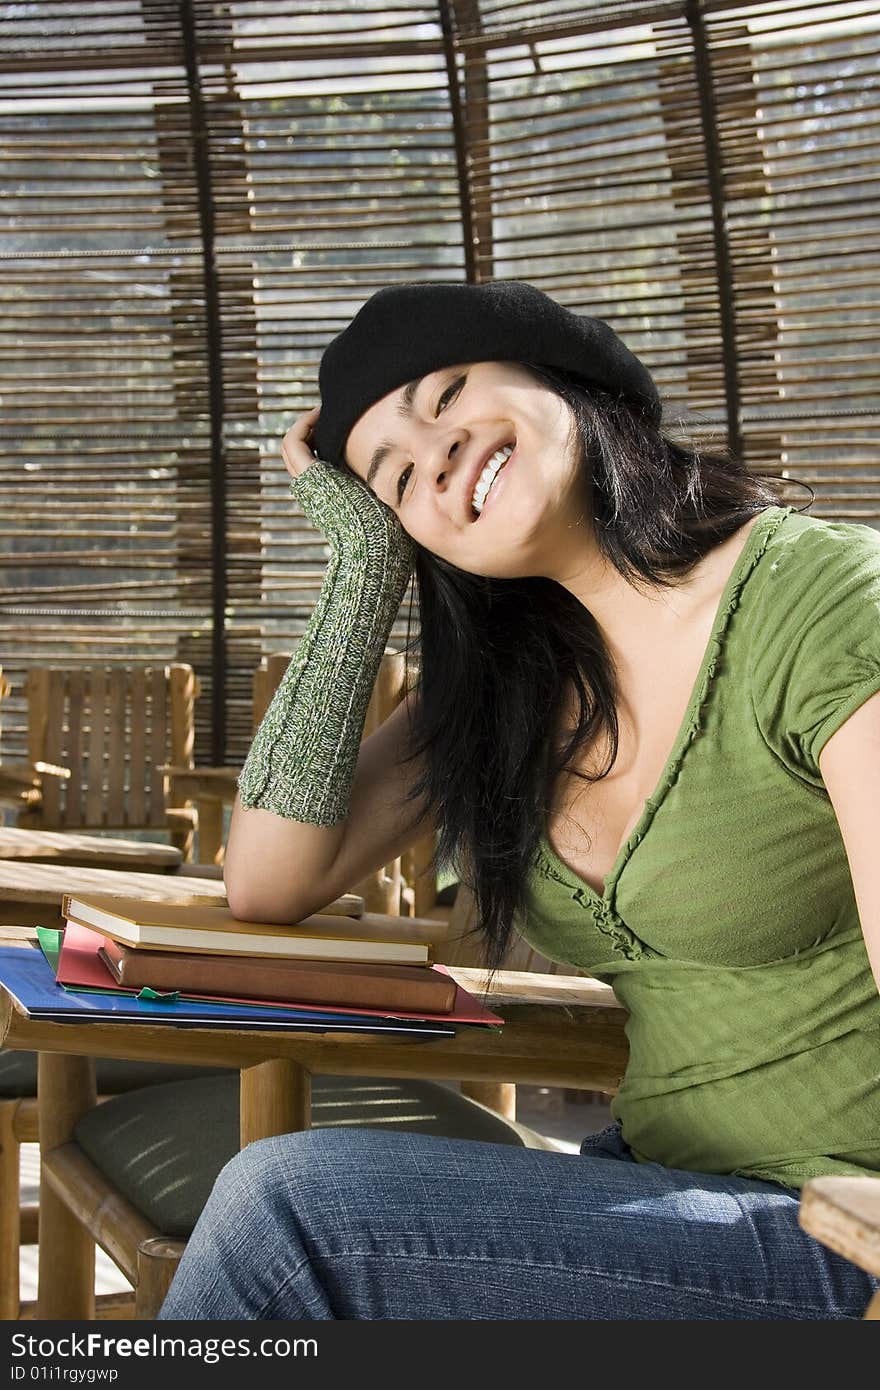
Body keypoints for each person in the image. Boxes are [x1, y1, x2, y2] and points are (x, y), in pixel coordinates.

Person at [158, 280, 880, 1320]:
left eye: (446, 392)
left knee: (291, 1213)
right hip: (657, 1195)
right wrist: (362, 566)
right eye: (395, 477)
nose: (436, 451)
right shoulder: (507, 696)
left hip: (835, 1231)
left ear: (563, 377)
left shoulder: (825, 601)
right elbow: (267, 881)